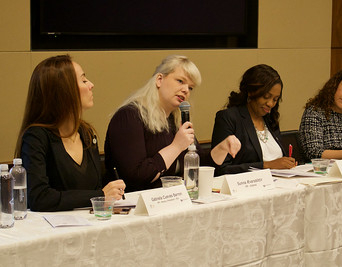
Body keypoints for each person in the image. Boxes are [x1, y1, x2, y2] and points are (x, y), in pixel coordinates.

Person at [104, 55, 240, 192]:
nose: (186, 90)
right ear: (159, 80)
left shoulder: (176, 120)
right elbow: (137, 176)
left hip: (173, 200)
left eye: (190, 88)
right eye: (180, 81)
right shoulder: (129, 116)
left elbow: (198, 166)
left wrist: (222, 148)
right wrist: (176, 146)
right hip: (136, 205)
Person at [15, 55, 126, 212]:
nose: (91, 85)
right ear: (64, 90)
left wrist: (110, 192)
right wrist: (100, 195)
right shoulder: (36, 137)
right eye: (83, 80)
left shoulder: (87, 134)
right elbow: (39, 198)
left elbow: (94, 189)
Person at [211, 64, 296, 176]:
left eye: (275, 99)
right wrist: (266, 165)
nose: (270, 104)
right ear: (251, 92)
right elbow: (222, 169)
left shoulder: (270, 120)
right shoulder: (229, 118)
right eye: (266, 97)